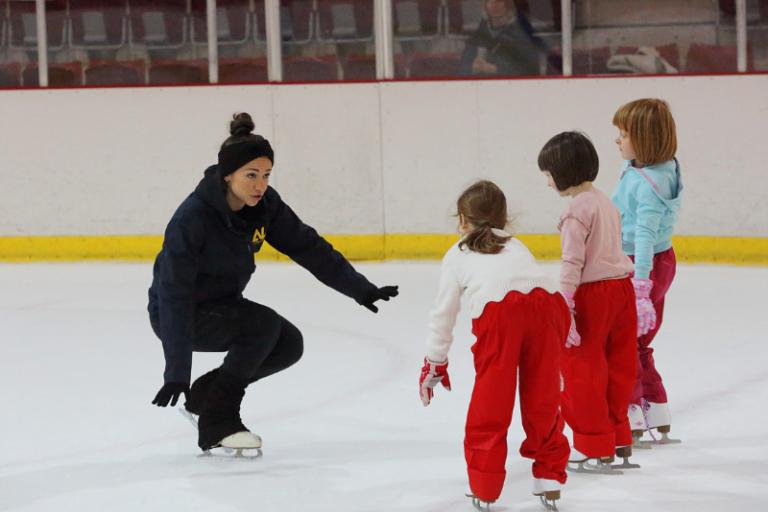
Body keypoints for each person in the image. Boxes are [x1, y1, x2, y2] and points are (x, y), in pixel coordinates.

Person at [148, 112, 399, 452]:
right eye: (251, 175)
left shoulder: (265, 206)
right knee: (262, 325)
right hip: (178, 313)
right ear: (227, 175)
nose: (260, 184)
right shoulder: (192, 219)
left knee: (287, 344)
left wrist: (360, 288)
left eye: (265, 175)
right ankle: (219, 422)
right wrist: (177, 370)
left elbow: (308, 247)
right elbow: (173, 294)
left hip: (222, 305)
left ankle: (206, 397)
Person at [419, 180, 569, 510]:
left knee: (492, 399)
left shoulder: (457, 254)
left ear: (462, 220)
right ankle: (549, 478)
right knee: (543, 397)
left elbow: (443, 314)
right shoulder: (517, 245)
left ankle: (485, 486)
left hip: (500, 313)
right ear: (503, 219)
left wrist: (434, 361)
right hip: (549, 305)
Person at [537, 131, 638, 473]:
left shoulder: (575, 212)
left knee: (581, 368)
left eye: (549, 176)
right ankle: (618, 434)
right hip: (621, 293)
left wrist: (564, 304)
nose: (548, 184)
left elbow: (572, 263)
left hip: (591, 297)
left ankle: (592, 442)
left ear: (563, 171)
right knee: (618, 364)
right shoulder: (604, 202)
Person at [611, 99, 683, 443]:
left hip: (643, 266)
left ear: (646, 139)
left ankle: (632, 410)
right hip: (661, 261)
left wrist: (640, 286)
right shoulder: (662, 167)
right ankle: (656, 405)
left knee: (625, 342)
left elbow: (643, 236)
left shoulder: (649, 184)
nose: (617, 140)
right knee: (638, 341)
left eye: (623, 134)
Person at [460, 0, 544, 76]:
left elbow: (530, 70)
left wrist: (495, 69)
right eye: (489, 1)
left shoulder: (522, 35)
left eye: (499, 1)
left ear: (508, 4)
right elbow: (463, 67)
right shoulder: (478, 35)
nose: (494, 4)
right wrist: (471, 67)